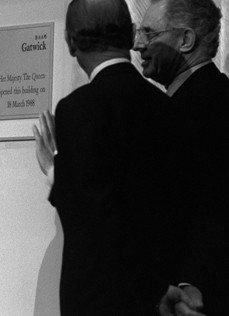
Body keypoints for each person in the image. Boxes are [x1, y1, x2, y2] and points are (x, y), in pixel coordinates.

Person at [44, 0, 202, 315]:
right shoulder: (169, 107)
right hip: (163, 298)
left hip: (101, 297)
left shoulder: (77, 109)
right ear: (130, 35)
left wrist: (55, 173)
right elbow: (182, 208)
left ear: (71, 42)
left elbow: (93, 219)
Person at [133, 0, 229, 314]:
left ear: (185, 40)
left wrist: (191, 282)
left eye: (149, 33)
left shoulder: (203, 108)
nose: (138, 44)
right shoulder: (200, 100)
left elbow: (213, 206)